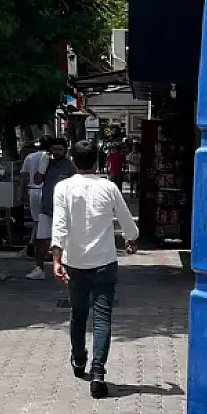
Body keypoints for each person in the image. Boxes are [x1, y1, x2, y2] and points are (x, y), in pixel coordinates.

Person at [52, 140, 139, 398]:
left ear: (72, 160)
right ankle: (98, 373)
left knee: (78, 314)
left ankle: (79, 359)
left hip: (74, 263)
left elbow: (59, 225)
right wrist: (131, 238)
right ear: (98, 161)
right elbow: (127, 222)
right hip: (104, 263)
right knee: (102, 318)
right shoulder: (109, 188)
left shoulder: (63, 188)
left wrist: (56, 259)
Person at [29, 138, 74, 280]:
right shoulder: (47, 164)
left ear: (65, 151)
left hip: (63, 210)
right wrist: (42, 167)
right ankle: (39, 268)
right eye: (53, 149)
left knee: (63, 241)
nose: (56, 152)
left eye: (59, 149)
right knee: (41, 240)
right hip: (45, 208)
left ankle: (66, 268)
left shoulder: (70, 168)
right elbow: (37, 180)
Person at [21, 137, 51, 267]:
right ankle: (44, 250)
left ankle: (33, 244)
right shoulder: (49, 158)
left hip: (32, 190)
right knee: (46, 220)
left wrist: (22, 192)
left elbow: (24, 176)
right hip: (46, 191)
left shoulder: (30, 157)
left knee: (37, 221)